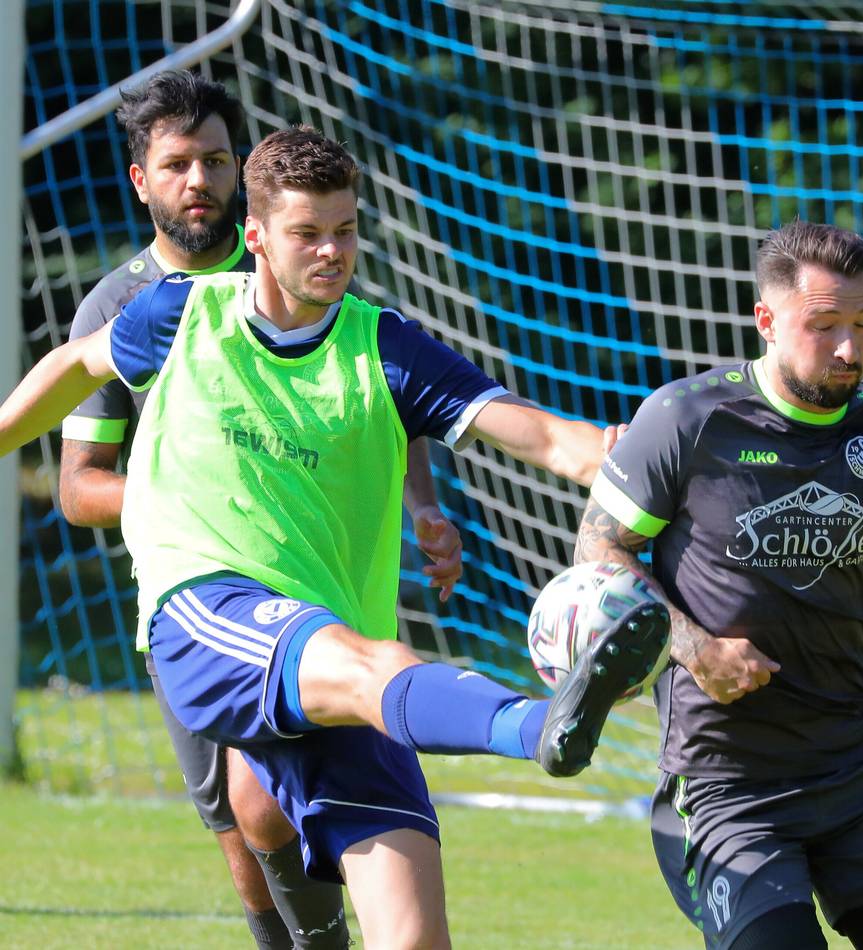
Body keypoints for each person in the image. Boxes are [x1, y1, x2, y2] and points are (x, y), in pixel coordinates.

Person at [4, 125, 669, 947]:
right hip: (206, 615)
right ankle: (544, 728)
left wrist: (647, 459)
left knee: (411, 934)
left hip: (343, 669)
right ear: (255, 239)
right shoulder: (184, 314)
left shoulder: (382, 345)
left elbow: (543, 437)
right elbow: (76, 366)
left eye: (345, 231)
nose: (331, 252)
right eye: (307, 234)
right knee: (372, 668)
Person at [58, 70, 461, 949]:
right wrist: (200, 503)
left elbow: (383, 391)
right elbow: (79, 487)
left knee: (317, 788)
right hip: (199, 600)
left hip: (322, 590)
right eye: (175, 165)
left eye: (213, 161)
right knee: (239, 818)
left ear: (241, 175)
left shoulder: (298, 260)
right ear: (142, 181)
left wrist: (423, 508)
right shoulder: (121, 307)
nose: (196, 180)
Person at [575, 220, 863, 950]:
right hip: (728, 785)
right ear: (767, 320)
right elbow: (600, 547)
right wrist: (694, 648)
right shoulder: (687, 418)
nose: (849, 348)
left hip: (859, 772)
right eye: (825, 326)